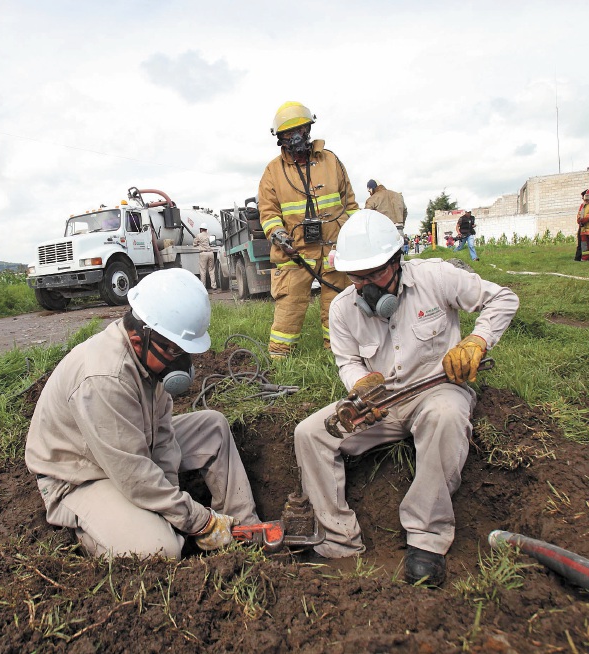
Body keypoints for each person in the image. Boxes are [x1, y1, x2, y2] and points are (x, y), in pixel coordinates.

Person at [293, 210, 519, 586]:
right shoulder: (342, 309)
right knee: (309, 433)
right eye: (356, 277)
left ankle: (427, 539)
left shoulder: (437, 278)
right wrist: (361, 385)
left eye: (375, 274)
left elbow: (503, 299)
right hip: (382, 404)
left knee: (446, 415)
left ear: (397, 260)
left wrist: (477, 341)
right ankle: (338, 539)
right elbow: (347, 359)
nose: (366, 286)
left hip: (436, 391)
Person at [25, 268, 259, 559]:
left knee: (212, 426)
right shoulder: (104, 379)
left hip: (128, 449)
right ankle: (94, 525)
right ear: (140, 341)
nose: (183, 364)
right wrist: (197, 521)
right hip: (81, 474)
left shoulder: (148, 359)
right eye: (176, 353)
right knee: (161, 549)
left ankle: (244, 530)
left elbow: (162, 438)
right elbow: (133, 474)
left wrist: (178, 509)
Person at [258, 101, 359, 359]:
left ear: (308, 130)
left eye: (300, 130)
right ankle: (280, 358)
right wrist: (278, 234)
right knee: (289, 305)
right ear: (279, 139)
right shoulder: (273, 171)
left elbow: (350, 204)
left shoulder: (331, 161)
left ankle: (337, 353)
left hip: (334, 250)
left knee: (338, 304)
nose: (295, 138)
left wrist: (353, 236)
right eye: (288, 133)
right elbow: (268, 213)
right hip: (295, 252)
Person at [193, 223, 217, 292]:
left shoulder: (198, 235)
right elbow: (213, 244)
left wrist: (198, 244)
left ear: (201, 229)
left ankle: (203, 286)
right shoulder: (209, 236)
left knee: (203, 270)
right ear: (206, 229)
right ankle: (214, 286)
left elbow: (194, 244)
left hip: (203, 253)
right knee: (211, 270)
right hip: (210, 253)